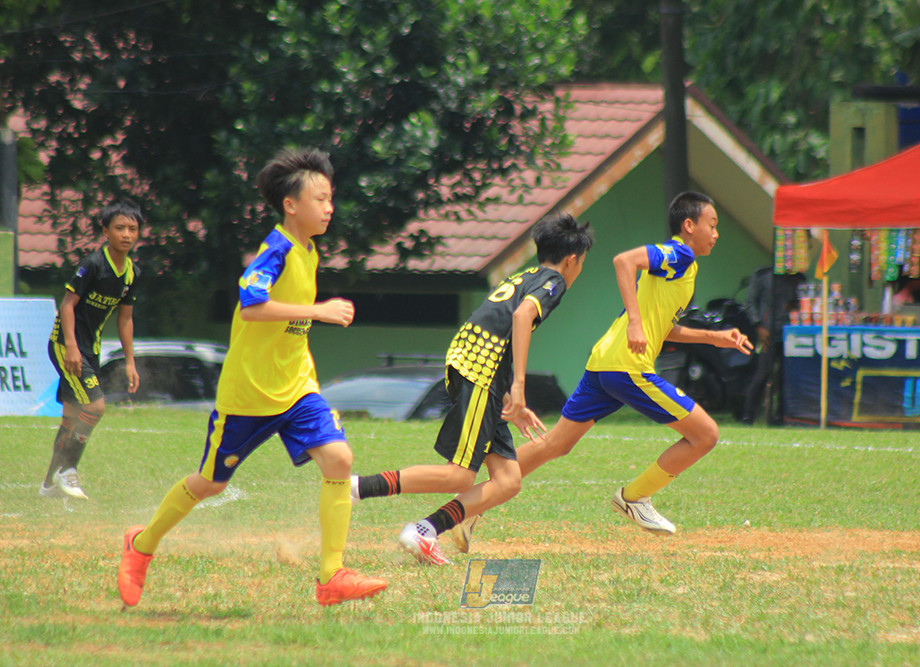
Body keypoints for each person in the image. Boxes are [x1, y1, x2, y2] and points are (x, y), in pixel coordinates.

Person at [116, 147, 387, 607]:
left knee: (340, 459)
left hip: (298, 385)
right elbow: (252, 304)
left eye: (330, 198)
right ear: (291, 205)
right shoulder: (276, 249)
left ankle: (331, 576)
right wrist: (318, 311)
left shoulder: (309, 248)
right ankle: (140, 545)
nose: (329, 207)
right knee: (210, 483)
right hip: (248, 394)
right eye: (320, 199)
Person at [451, 192, 752, 552]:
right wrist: (635, 324)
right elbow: (624, 261)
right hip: (626, 367)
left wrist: (714, 337)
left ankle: (470, 504)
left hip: (606, 362)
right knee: (705, 435)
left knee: (555, 445)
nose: (716, 233)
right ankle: (634, 498)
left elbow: (663, 328)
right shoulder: (679, 253)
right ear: (690, 226)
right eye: (713, 225)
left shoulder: (685, 268)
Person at [351, 212, 593, 565]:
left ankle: (425, 530)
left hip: (479, 366)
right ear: (571, 260)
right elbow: (521, 317)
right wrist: (519, 386)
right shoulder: (553, 281)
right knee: (459, 475)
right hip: (479, 368)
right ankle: (356, 487)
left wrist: (508, 396)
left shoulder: (526, 274)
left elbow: (499, 327)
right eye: (581, 263)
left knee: (508, 479)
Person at [40, 200, 143, 500]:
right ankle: (67, 470)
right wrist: (71, 346)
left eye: (132, 229)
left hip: (91, 348)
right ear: (106, 231)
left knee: (71, 418)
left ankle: (48, 486)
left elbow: (125, 320)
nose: (126, 234)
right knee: (96, 407)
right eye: (119, 228)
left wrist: (130, 362)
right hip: (65, 344)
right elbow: (67, 304)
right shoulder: (93, 264)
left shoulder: (132, 274)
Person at [739, 266, 804, 425]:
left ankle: (780, 416)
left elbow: (801, 303)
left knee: (785, 376)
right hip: (767, 332)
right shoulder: (762, 275)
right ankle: (748, 415)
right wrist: (759, 326)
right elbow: (750, 303)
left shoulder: (798, 277)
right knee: (762, 373)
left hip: (790, 332)